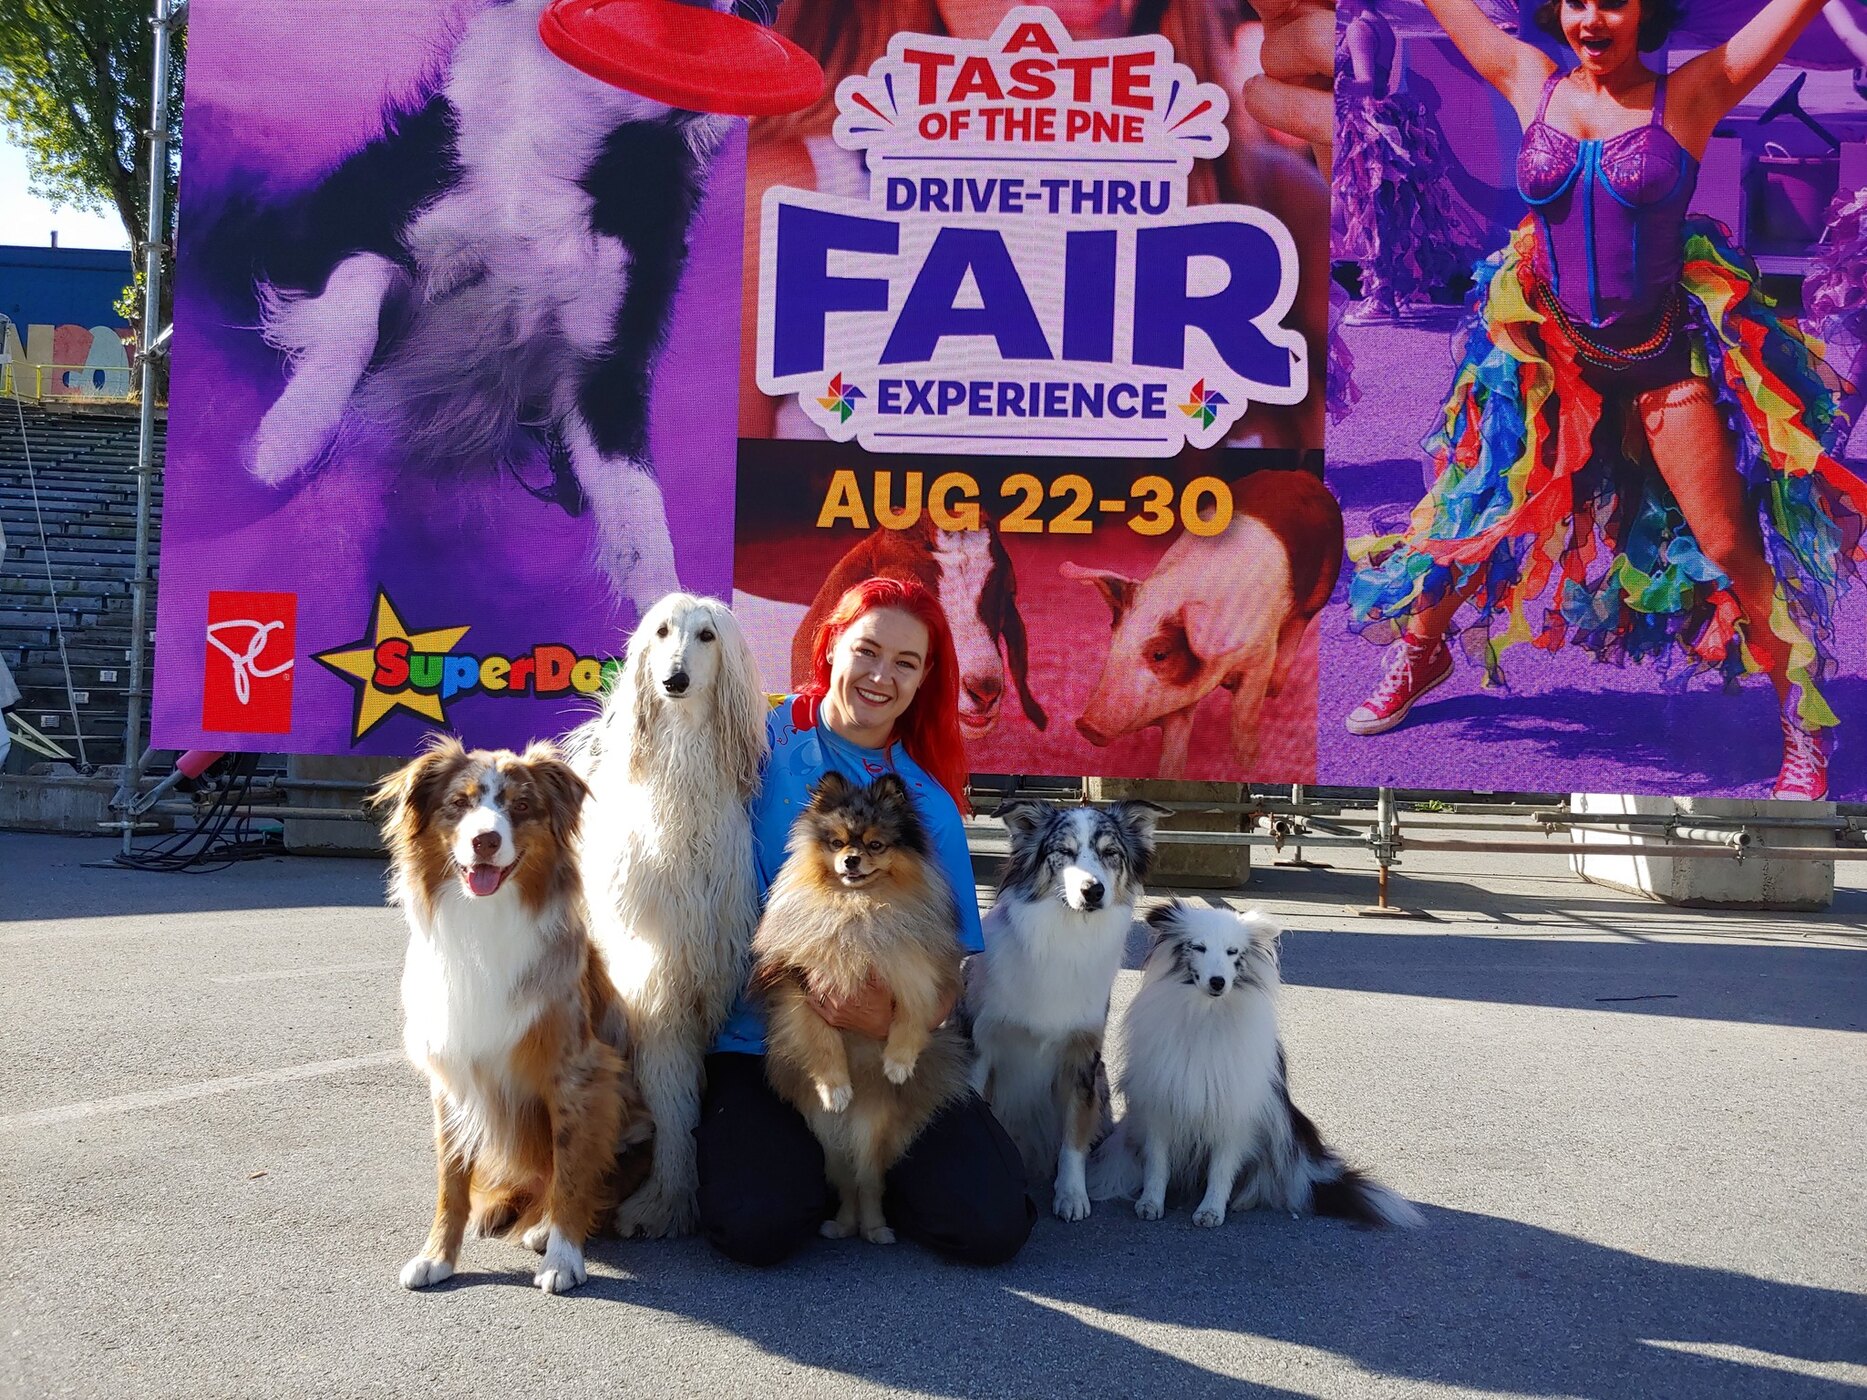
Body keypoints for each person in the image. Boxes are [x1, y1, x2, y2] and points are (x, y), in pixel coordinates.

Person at [1342, 0, 1867, 800]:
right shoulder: (1528, 78)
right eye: (1576, 0)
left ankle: (1801, 721)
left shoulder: (1692, 92)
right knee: (1471, 515)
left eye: (1612, 1)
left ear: (1644, 11)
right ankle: (1421, 651)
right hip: (1552, 364)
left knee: (1727, 546)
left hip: (1659, 362)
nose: (1591, 18)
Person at [738, 0, 1333, 450]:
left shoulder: (1285, 209)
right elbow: (706, 548)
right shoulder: (781, 202)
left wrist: (1367, 189)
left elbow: (1373, 551)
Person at [696, 576, 1035, 1266]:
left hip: (888, 1058)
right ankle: (820, 1171)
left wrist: (888, 1017)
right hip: (758, 1044)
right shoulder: (756, 743)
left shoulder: (926, 803)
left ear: (924, 678)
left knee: (990, 1222)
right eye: (868, 651)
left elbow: (947, 978)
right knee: (757, 1227)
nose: (881, 676)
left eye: (905, 662)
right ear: (830, 647)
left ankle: (869, 1168)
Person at [1333, 0, 1478, 322]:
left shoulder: (1358, 28)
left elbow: (1366, 83)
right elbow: (1380, 81)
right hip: (1385, 123)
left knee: (1369, 213)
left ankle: (1381, 297)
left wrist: (1342, 84)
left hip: (1367, 130)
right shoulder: (1380, 24)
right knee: (1383, 212)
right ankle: (1389, 291)